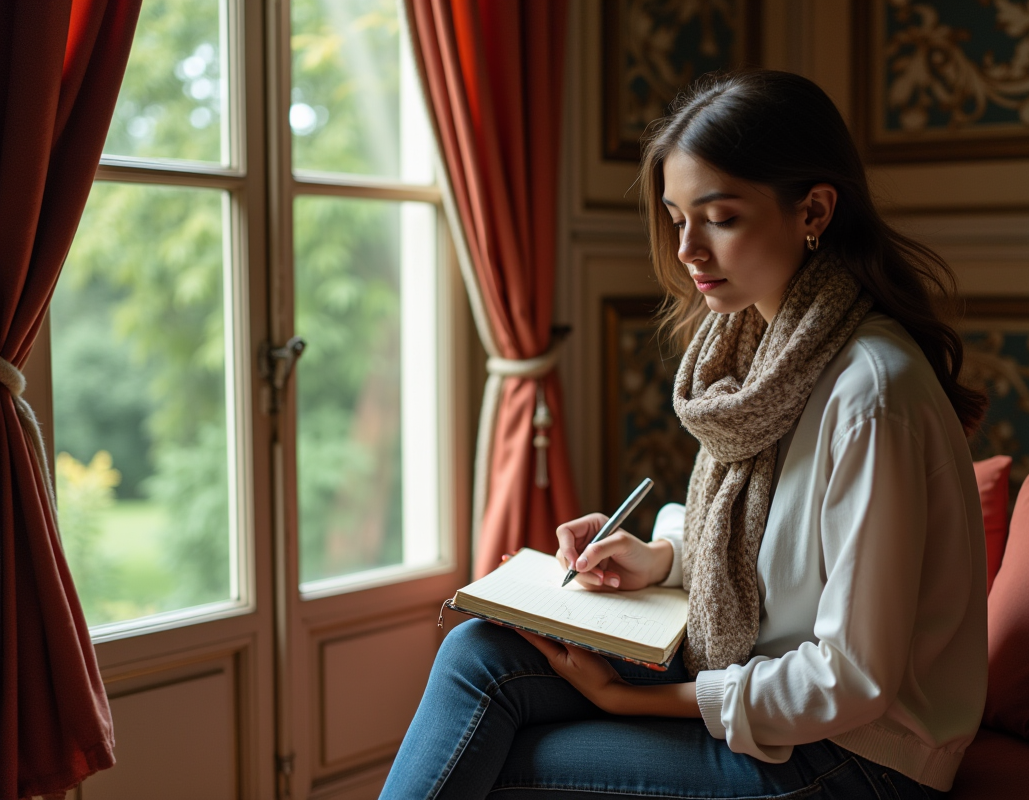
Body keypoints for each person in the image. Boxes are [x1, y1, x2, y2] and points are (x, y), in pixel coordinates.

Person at [379, 69, 989, 800]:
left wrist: (628, 700)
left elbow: (849, 679)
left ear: (814, 211)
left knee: (511, 763)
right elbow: (774, 546)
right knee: (478, 651)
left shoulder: (870, 393)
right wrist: (664, 557)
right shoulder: (758, 356)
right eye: (676, 218)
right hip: (769, 686)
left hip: (854, 756)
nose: (688, 249)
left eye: (720, 217)